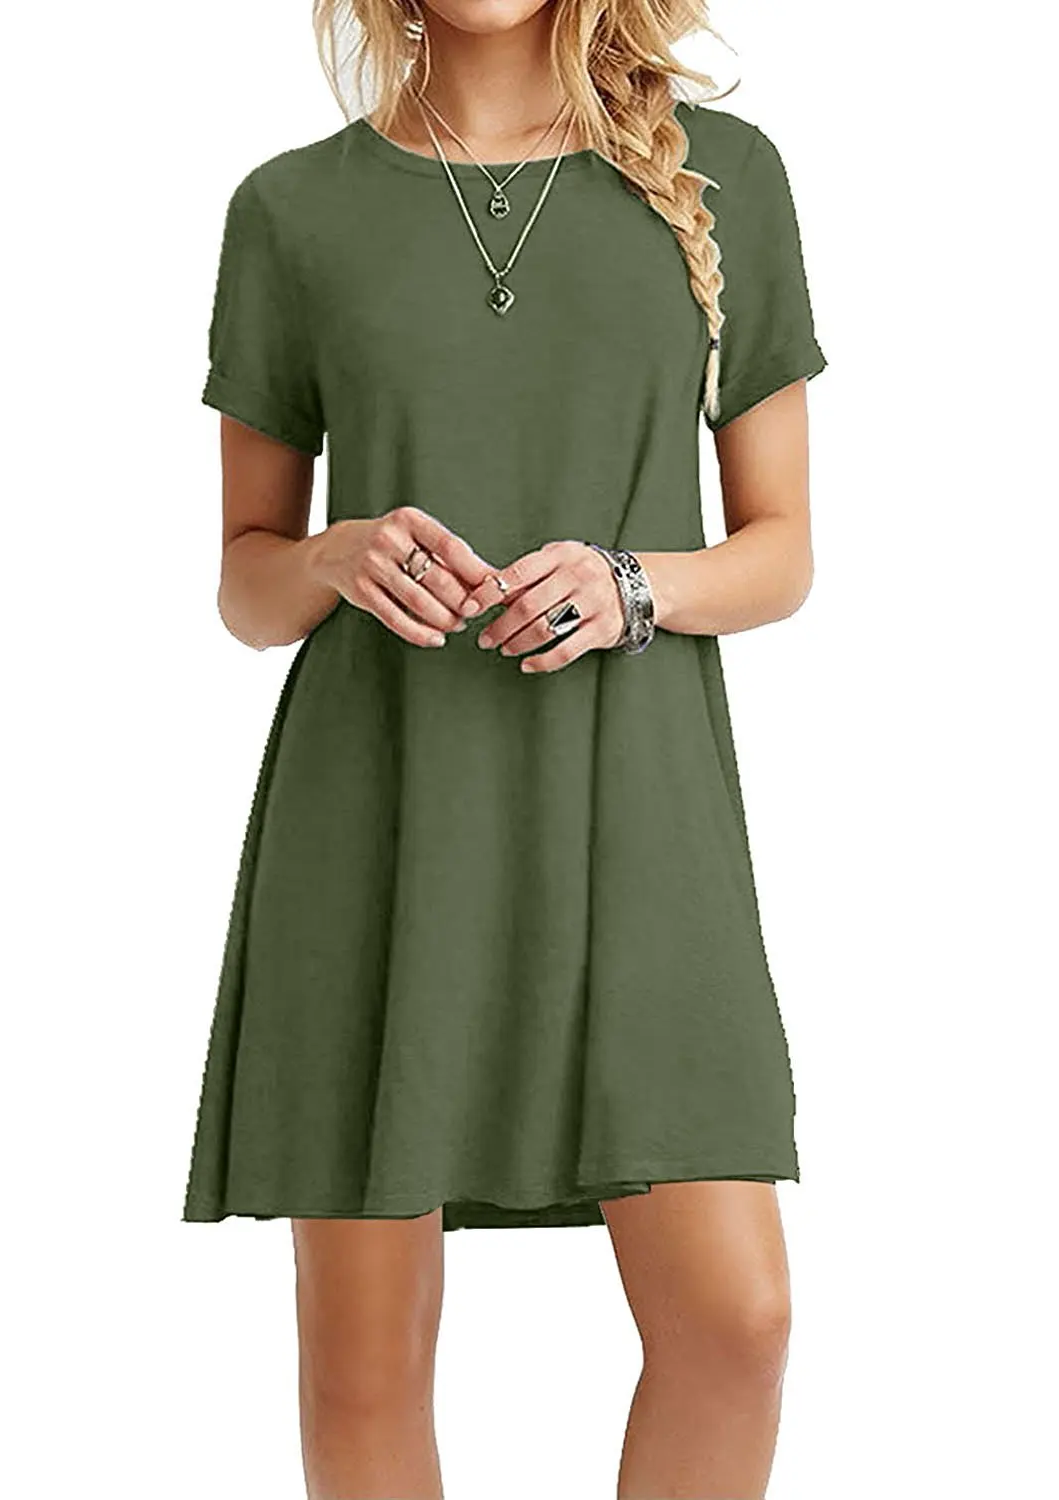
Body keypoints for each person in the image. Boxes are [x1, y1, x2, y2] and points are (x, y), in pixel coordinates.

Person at [181, 0, 827, 1492]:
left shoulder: (722, 176)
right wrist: (331, 553)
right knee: (366, 1361)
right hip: (381, 803)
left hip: (640, 801)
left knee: (736, 1321)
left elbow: (784, 550)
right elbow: (244, 585)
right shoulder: (291, 210)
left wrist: (634, 585)